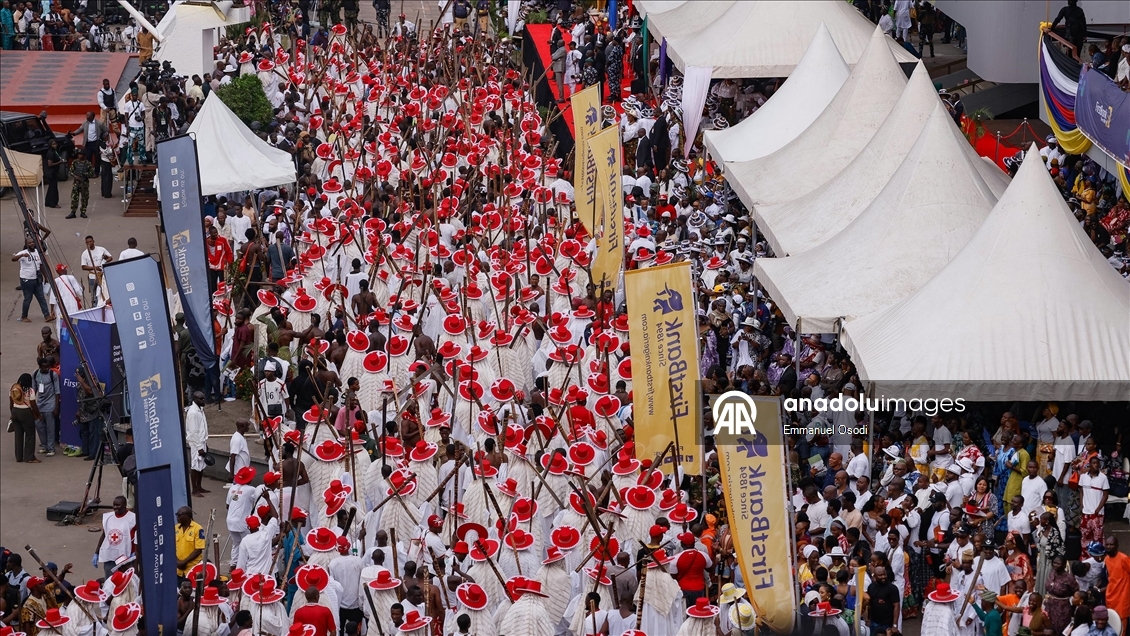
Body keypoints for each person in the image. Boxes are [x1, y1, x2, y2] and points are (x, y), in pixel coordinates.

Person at [95, 496, 136, 578]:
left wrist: (135, 552)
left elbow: (137, 537)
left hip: (126, 557)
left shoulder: (133, 518)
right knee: (110, 581)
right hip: (110, 556)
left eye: (118, 505)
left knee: (127, 581)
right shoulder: (108, 518)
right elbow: (104, 535)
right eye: (114, 505)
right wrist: (96, 552)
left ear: (125, 505)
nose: (115, 507)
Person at [13, 237, 52, 323]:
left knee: (41, 298)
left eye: (33, 242)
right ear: (26, 244)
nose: (31, 244)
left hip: (37, 280)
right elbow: (13, 259)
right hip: (26, 280)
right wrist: (22, 256)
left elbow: (41, 266)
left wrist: (46, 277)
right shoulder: (23, 253)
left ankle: (47, 316)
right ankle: (24, 316)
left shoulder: (38, 253)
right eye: (29, 243)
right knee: (28, 298)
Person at [9, 373, 41, 463]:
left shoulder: (14, 389)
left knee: (18, 435)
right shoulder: (30, 391)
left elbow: (11, 403)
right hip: (26, 413)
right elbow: (33, 405)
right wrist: (38, 415)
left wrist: (12, 414)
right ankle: (29, 457)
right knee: (30, 434)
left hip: (15, 411)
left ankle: (19, 457)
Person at [31, 357, 58, 456]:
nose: (47, 369)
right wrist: (32, 405)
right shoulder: (35, 374)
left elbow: (57, 392)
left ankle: (51, 448)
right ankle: (45, 446)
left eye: (48, 367)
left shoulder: (53, 374)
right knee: (39, 425)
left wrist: (56, 407)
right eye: (45, 367)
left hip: (50, 404)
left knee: (50, 428)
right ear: (39, 367)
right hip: (39, 404)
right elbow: (33, 390)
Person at [185, 391, 210, 497]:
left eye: (203, 398)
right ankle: (194, 489)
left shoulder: (200, 409)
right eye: (201, 399)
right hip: (196, 443)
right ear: (195, 399)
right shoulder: (193, 412)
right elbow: (193, 432)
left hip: (202, 441)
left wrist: (204, 444)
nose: (203, 400)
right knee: (195, 465)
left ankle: (199, 486)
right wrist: (199, 447)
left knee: (202, 464)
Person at [79, 236, 111, 307]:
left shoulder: (101, 249)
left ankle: (105, 305)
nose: (89, 243)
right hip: (92, 277)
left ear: (93, 241)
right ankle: (94, 307)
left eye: (90, 241)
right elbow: (83, 267)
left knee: (104, 292)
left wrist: (104, 261)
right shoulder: (85, 253)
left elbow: (110, 257)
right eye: (87, 242)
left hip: (102, 276)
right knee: (93, 295)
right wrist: (95, 268)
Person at [174, 506, 205, 578]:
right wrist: (177, 561)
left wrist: (184, 562)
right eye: (177, 514)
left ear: (187, 516)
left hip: (193, 569)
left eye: (179, 515)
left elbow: (198, 550)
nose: (177, 517)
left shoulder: (198, 529)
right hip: (179, 570)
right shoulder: (175, 528)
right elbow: (172, 546)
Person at [67, 153, 93, 219]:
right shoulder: (75, 162)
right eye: (79, 154)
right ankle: (73, 212)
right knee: (74, 198)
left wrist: (84, 174)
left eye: (81, 154)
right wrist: (75, 176)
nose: (79, 156)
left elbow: (92, 174)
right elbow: (70, 172)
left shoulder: (88, 164)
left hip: (84, 183)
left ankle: (83, 212)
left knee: (84, 198)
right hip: (76, 183)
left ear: (84, 155)